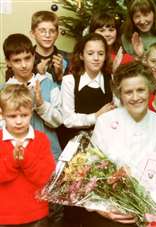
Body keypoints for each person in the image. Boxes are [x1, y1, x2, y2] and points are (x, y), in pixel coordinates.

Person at [73, 61, 156, 227]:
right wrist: (104, 210)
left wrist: (147, 212)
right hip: (108, 214)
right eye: (128, 92)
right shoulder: (105, 121)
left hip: (146, 215)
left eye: (140, 90)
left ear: (150, 89)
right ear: (120, 94)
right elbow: (90, 171)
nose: (135, 97)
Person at [0, 84, 55, 226]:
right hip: (4, 216)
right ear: (2, 114)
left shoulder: (41, 139)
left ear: (31, 112)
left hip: (37, 215)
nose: (18, 121)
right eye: (12, 116)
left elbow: (47, 177)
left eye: (24, 115)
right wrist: (12, 161)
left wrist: (26, 159)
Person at [2, 33, 62, 160]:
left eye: (27, 58)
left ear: (34, 57)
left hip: (48, 156)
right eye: (17, 60)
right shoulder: (3, 91)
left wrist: (41, 105)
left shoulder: (49, 84)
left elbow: (58, 121)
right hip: (14, 158)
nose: (24, 65)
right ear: (8, 62)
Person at [60, 33, 114, 148]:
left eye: (100, 54)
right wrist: (96, 116)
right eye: (90, 54)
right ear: (81, 55)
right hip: (75, 143)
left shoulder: (111, 80)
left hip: (105, 142)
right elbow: (68, 120)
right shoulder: (70, 81)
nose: (96, 58)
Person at [30, 10, 70, 84]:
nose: (47, 35)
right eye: (42, 31)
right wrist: (34, 72)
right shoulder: (23, 59)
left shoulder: (68, 59)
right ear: (33, 33)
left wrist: (60, 76)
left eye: (52, 31)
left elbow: (73, 92)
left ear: (57, 34)